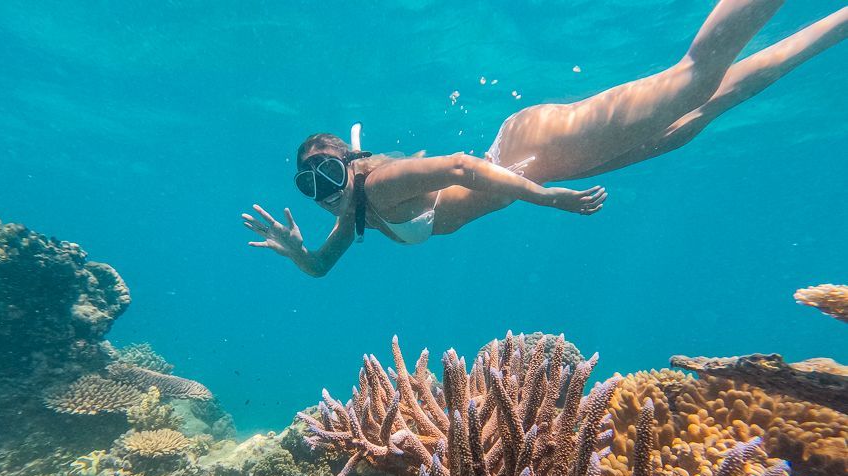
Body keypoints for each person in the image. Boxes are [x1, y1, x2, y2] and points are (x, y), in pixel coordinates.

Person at [243, 1, 847, 277]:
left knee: (690, 82)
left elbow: (459, 166)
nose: (321, 195)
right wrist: (298, 252)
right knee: (701, 114)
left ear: (350, 167)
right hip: (538, 164)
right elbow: (323, 267)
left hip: (529, 153)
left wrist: (542, 196)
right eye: (308, 186)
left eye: (327, 175)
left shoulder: (381, 184)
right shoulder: (354, 216)